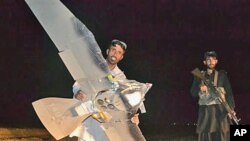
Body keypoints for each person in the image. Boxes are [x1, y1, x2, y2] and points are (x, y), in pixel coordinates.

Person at [71, 39, 141, 141]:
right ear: (107, 51)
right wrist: (77, 92)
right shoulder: (92, 67)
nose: (115, 54)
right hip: (88, 119)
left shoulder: (121, 78)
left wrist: (132, 116)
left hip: (105, 123)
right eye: (113, 50)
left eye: (119, 52)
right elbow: (77, 84)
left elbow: (124, 103)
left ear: (121, 57)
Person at [190, 51, 236, 141]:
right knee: (206, 136)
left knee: (222, 134)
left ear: (216, 61)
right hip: (206, 112)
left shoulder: (222, 75)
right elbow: (193, 92)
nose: (211, 61)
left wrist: (231, 108)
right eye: (208, 59)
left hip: (221, 110)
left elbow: (229, 93)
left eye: (213, 59)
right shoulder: (199, 75)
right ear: (204, 62)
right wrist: (200, 88)